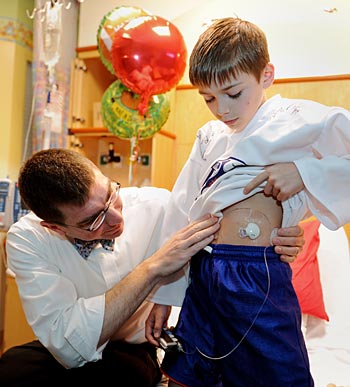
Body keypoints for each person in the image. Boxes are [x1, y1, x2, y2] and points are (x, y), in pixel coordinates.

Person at [145, 17, 350, 387]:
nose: (221, 108)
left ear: (266, 75)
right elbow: (179, 210)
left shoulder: (296, 119)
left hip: (256, 275)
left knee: (276, 375)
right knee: (186, 375)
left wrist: (303, 172)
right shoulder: (209, 136)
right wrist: (163, 294)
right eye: (208, 98)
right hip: (202, 273)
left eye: (233, 93)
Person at [0, 148, 221, 387]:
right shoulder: (27, 238)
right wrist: (153, 268)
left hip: (136, 349)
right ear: (55, 228)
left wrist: (167, 294)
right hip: (74, 351)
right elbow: (68, 347)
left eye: (110, 194)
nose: (116, 219)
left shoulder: (159, 207)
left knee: (116, 376)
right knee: (13, 367)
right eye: (92, 221)